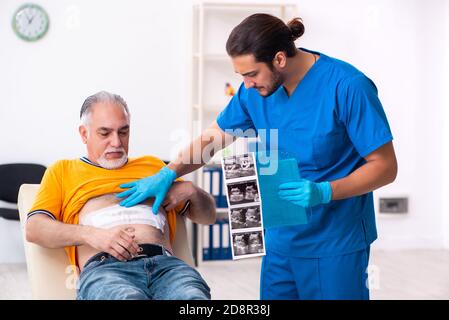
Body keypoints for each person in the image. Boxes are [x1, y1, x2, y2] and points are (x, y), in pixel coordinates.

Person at [118, 14, 398, 300]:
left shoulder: (348, 86)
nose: (247, 84)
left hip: (335, 242)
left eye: (251, 74)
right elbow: (213, 138)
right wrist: (170, 171)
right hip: (280, 242)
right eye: (241, 76)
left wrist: (325, 191)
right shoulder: (256, 91)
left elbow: (385, 167)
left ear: (279, 59)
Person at [26, 91, 215, 300]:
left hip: (168, 268)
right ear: (84, 134)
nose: (116, 142)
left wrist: (192, 191)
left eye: (123, 132)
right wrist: (92, 234)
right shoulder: (62, 171)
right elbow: (35, 228)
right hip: (106, 270)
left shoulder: (153, 166)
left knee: (192, 299)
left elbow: (208, 217)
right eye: (105, 133)